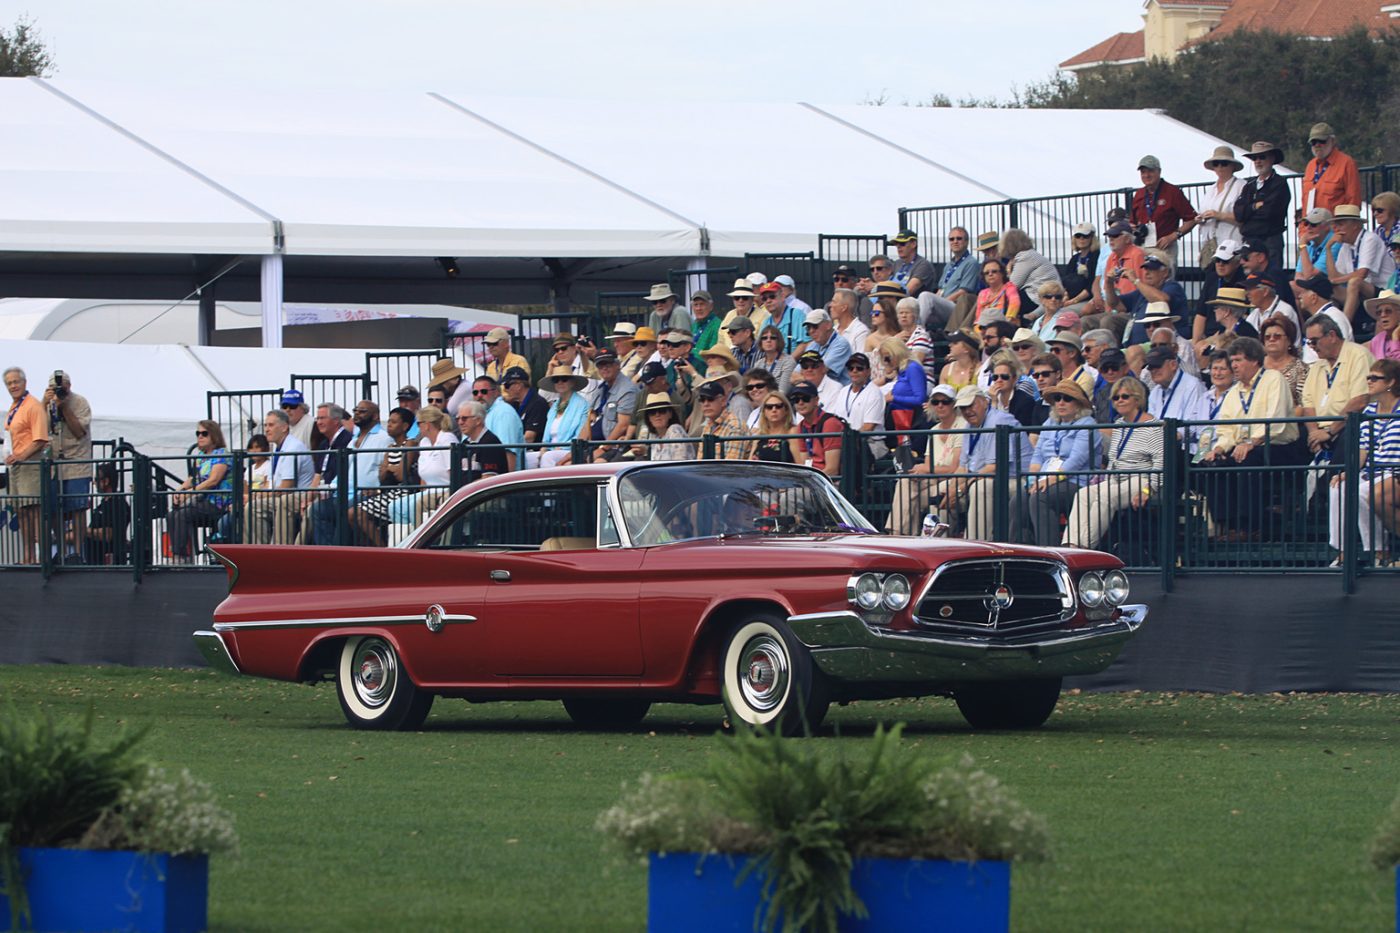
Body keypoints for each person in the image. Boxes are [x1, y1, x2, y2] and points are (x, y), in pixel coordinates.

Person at [1195, 338, 1303, 540]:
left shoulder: (1273, 379)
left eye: (1238, 360)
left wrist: (1251, 443)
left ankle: (1251, 525)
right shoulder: (1234, 392)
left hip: (1280, 446)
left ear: (1254, 361)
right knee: (1211, 464)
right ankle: (1227, 524)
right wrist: (1217, 449)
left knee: (1247, 459)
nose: (1233, 365)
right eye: (1232, 361)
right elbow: (1226, 430)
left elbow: (1276, 422)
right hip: (1246, 447)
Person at [1062, 376, 1163, 550]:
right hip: (1116, 479)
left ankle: (1084, 548)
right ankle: (1070, 545)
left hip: (1141, 478)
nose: (1119, 401)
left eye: (1124, 396)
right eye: (1116, 397)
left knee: (1106, 497)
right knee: (1084, 494)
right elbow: (1114, 458)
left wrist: (1148, 489)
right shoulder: (1120, 424)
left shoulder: (1153, 426)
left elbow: (1160, 462)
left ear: (1137, 398)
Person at [1328, 359, 1400, 567]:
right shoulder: (1369, 412)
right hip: (1372, 471)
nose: (1369, 381)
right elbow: (1363, 449)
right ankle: (1343, 552)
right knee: (1339, 486)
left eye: (1375, 378)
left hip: (1393, 470)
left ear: (1391, 382)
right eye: (1368, 377)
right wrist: (1349, 472)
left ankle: (1379, 551)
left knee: (1363, 492)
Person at [1020, 379, 1099, 546]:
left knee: (1041, 498)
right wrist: (1033, 479)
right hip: (1045, 479)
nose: (1061, 402)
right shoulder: (1050, 423)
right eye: (1057, 398)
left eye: (1067, 399)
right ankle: (1019, 552)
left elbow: (1076, 461)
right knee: (1018, 499)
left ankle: (1048, 552)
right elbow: (1038, 456)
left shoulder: (1088, 424)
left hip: (1076, 480)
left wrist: (1050, 480)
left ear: (1078, 404)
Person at [951, 386, 1032, 542]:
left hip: (1016, 480)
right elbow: (963, 467)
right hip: (985, 477)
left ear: (984, 402)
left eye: (971, 405)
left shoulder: (999, 420)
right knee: (943, 491)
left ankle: (975, 544)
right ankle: (941, 545)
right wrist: (952, 488)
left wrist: (962, 487)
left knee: (981, 487)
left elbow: (994, 468)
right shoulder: (969, 426)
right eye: (963, 408)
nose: (967, 411)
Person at [887, 384, 965, 536]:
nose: (940, 406)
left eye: (945, 402)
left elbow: (954, 468)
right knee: (905, 482)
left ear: (954, 404)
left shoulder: (962, 426)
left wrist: (925, 469)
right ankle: (898, 533)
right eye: (936, 402)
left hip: (954, 478)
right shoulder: (934, 430)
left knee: (912, 497)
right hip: (935, 476)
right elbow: (929, 464)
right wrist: (921, 470)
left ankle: (901, 536)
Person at [1301, 314, 1374, 471]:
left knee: (1349, 434)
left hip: (1347, 426)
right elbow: (1308, 405)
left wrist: (1330, 431)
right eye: (1308, 342)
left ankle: (1324, 492)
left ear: (1332, 336)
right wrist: (1314, 434)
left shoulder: (1358, 355)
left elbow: (1360, 400)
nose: (1311, 346)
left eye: (1314, 341)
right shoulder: (1317, 366)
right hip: (1322, 431)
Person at [350, 406, 419, 547]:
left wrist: (389, 468)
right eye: (388, 421)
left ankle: (381, 548)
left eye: (393, 422)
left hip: (404, 492)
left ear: (405, 426)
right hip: (389, 491)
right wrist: (390, 469)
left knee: (357, 513)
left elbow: (401, 475)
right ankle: (370, 548)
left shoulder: (410, 444)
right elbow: (382, 477)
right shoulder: (391, 448)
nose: (389, 425)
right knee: (352, 513)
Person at [166, 420, 233, 562]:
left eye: (204, 433)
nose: (200, 437)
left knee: (183, 514)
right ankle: (179, 553)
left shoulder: (221, 454)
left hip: (219, 502)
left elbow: (213, 480)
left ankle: (182, 557)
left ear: (214, 436)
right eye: (198, 433)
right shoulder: (201, 457)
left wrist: (189, 493)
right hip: (203, 500)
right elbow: (193, 478)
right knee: (172, 515)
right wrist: (180, 490)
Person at [244, 409, 314, 545]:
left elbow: (285, 488)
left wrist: (255, 496)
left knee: (253, 507)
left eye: (271, 425)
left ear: (284, 427)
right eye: (265, 425)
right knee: (251, 506)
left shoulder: (292, 448)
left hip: (298, 496)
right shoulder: (279, 448)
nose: (266, 430)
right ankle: (256, 552)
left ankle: (270, 551)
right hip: (283, 496)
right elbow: (272, 485)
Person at [43, 371, 92, 561]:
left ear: (69, 386)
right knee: (54, 508)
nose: (59, 390)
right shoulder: (47, 404)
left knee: (78, 507)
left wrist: (64, 407)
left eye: (62, 387)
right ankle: (61, 552)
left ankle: (78, 553)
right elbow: (38, 427)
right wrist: (44, 403)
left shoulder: (80, 402)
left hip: (77, 461)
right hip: (55, 463)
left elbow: (79, 431)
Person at [3, 367, 48, 564]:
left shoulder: (33, 406)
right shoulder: (15, 407)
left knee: (34, 511)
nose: (13, 386)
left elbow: (40, 439)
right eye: (9, 383)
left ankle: (39, 558)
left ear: (24, 383)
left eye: (16, 382)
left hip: (30, 464)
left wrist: (20, 455)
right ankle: (27, 557)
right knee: (21, 512)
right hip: (16, 466)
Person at [1327, 204, 1394, 328]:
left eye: (1340, 224)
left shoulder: (1370, 239)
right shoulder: (1346, 245)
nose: (1336, 228)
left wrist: (1335, 280)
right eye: (1335, 225)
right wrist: (1328, 249)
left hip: (1383, 291)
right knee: (1328, 288)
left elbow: (1362, 274)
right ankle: (1329, 325)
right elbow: (1333, 276)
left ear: (1355, 225)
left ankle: (1343, 328)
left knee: (1354, 282)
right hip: (1359, 293)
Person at [1233, 141, 1291, 271]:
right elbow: (1238, 213)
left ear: (1272, 159)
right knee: (1249, 280)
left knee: (1272, 280)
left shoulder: (1280, 183)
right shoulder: (1249, 184)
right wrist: (1255, 207)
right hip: (1249, 241)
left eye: (1262, 157)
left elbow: (1269, 212)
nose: (1258, 161)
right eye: (1255, 158)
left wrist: (1248, 211)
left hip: (1270, 241)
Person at [1131, 154, 1198, 260]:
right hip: (1142, 247)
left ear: (1159, 171)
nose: (1146, 175)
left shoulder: (1172, 192)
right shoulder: (1139, 194)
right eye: (1143, 172)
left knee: (1165, 276)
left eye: (1150, 171)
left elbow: (1192, 219)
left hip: (1164, 247)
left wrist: (1172, 236)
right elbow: (1132, 221)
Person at [531, 365, 590, 468]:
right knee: (527, 458)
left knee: (548, 457)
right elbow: (546, 438)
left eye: (564, 379)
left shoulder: (582, 404)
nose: (560, 383)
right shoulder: (554, 406)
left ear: (572, 382)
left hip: (570, 450)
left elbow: (581, 435)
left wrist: (560, 448)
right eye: (556, 380)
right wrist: (543, 450)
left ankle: (547, 484)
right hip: (551, 449)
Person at [1195, 146, 1246, 265]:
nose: (1220, 167)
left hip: (1231, 247)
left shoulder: (1242, 186)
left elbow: (1244, 218)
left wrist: (1219, 215)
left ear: (1232, 166)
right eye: (1216, 164)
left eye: (1224, 163)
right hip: (1210, 247)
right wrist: (1200, 219)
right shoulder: (1211, 189)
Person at [585, 351, 638, 463]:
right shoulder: (600, 388)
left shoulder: (627, 390)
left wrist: (604, 448)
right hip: (595, 444)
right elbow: (588, 422)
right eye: (600, 365)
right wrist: (572, 452)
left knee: (597, 464)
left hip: (618, 446)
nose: (604, 368)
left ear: (617, 365)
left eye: (608, 365)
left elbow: (623, 425)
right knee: (567, 462)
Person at [925, 226, 981, 332]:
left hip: (957, 308)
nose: (955, 241)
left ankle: (917, 331)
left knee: (926, 296)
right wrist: (936, 302)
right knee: (911, 303)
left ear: (966, 242)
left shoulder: (971, 263)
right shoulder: (949, 265)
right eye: (952, 239)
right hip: (943, 304)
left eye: (959, 238)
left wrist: (940, 302)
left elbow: (963, 292)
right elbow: (940, 290)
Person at [1301, 122, 1361, 218]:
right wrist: (1303, 229)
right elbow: (1305, 202)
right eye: (1313, 142)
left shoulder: (1347, 163)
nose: (1317, 145)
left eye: (1322, 141)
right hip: (1312, 228)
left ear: (1333, 141)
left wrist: (1343, 230)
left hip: (1335, 228)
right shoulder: (1310, 166)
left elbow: (1353, 201)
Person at [1193, 240, 1247, 342]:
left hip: (1230, 335)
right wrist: (1196, 342)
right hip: (1207, 335)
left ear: (1237, 262)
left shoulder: (1244, 281)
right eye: (1217, 260)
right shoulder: (1211, 278)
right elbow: (1201, 313)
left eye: (1225, 261)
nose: (1220, 264)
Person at [1000, 229, 1061, 318]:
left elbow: (1013, 285)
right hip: (1045, 296)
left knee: (1005, 297)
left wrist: (1008, 270)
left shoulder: (1025, 256)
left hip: (1037, 299)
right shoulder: (1031, 255)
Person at [472, 376, 525, 472]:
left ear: (496, 392)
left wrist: (505, 484)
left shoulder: (503, 413)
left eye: (484, 391)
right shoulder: (478, 414)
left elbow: (508, 453)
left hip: (500, 481)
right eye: (475, 392)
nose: (479, 395)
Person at [790, 382, 843, 478]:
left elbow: (832, 469)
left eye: (805, 398)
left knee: (788, 493)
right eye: (796, 400)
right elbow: (804, 464)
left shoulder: (830, 423)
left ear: (816, 400)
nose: (800, 403)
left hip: (831, 483)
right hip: (814, 479)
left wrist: (809, 483)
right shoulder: (801, 426)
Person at [82, 463, 131, 565]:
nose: (94, 483)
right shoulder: (102, 505)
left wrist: (82, 530)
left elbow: (108, 534)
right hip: (94, 563)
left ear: (106, 481)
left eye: (96, 479)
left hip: (108, 563)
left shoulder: (117, 504)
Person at [694, 379, 749, 461]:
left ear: (723, 401)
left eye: (710, 399)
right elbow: (700, 463)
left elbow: (731, 467)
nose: (706, 404)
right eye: (702, 400)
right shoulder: (707, 427)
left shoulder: (735, 426)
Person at [1260, 317, 1307, 411]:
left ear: (1289, 340)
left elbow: (1303, 406)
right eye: (1267, 337)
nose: (1271, 339)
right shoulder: (1255, 365)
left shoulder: (1302, 369)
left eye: (1277, 336)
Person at [631, 393, 696, 461]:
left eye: (662, 411)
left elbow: (679, 462)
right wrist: (644, 452)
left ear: (670, 414)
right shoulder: (653, 436)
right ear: (649, 418)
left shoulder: (675, 430)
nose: (657, 415)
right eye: (652, 412)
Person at [454, 401, 509, 480]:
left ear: (478, 420)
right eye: (457, 419)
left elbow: (489, 479)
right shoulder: (465, 443)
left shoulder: (490, 443)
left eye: (464, 418)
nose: (460, 422)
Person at [749, 392, 805, 464]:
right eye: (769, 407)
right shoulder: (759, 435)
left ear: (786, 410)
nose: (774, 410)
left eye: (778, 406)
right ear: (764, 412)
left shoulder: (792, 432)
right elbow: (750, 464)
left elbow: (800, 464)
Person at [501, 366, 548, 448]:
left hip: (533, 452)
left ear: (518, 386)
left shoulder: (538, 403)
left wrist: (505, 448)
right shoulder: (514, 404)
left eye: (507, 386)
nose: (505, 390)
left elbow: (529, 438)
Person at [987, 351, 1037, 426]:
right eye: (995, 377)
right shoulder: (990, 399)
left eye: (1004, 377)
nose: (999, 380)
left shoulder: (1025, 401)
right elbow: (989, 427)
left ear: (1014, 379)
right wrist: (994, 402)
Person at [718, 279, 771, 347]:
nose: (741, 300)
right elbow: (721, 340)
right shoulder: (729, 315)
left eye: (745, 297)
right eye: (737, 297)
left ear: (752, 299)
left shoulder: (764, 316)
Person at [1060, 225, 1100, 311]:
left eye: (1085, 236)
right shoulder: (1074, 258)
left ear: (1092, 238)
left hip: (1087, 299)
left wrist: (1073, 301)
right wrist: (1066, 297)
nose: (1081, 239)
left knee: (1063, 312)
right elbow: (1065, 280)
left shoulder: (1096, 256)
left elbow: (1093, 284)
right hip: (1071, 298)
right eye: (1078, 236)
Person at [750, 324, 796, 394]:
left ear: (779, 341)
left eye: (773, 338)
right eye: (764, 338)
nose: (768, 340)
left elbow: (783, 391)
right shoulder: (758, 364)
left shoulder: (788, 361)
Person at [974, 258, 1020, 324]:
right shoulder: (982, 293)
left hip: (1004, 325)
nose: (990, 274)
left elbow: (1015, 304)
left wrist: (1006, 322)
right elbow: (978, 317)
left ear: (1002, 273)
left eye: (994, 271)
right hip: (984, 327)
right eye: (986, 273)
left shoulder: (1009, 287)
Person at [890, 230, 935, 297]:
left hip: (912, 304)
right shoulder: (897, 263)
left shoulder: (923, 265)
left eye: (902, 243)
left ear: (913, 244)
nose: (898, 247)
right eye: (896, 244)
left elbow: (907, 291)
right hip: (893, 299)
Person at [829, 288, 869, 354]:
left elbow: (861, 360)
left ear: (844, 308)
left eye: (834, 302)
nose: (830, 305)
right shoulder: (833, 330)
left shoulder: (861, 331)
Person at [1365, 290, 1400, 362]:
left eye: (1388, 311)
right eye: (1379, 312)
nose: (1383, 315)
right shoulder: (1377, 340)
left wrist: (1395, 338)